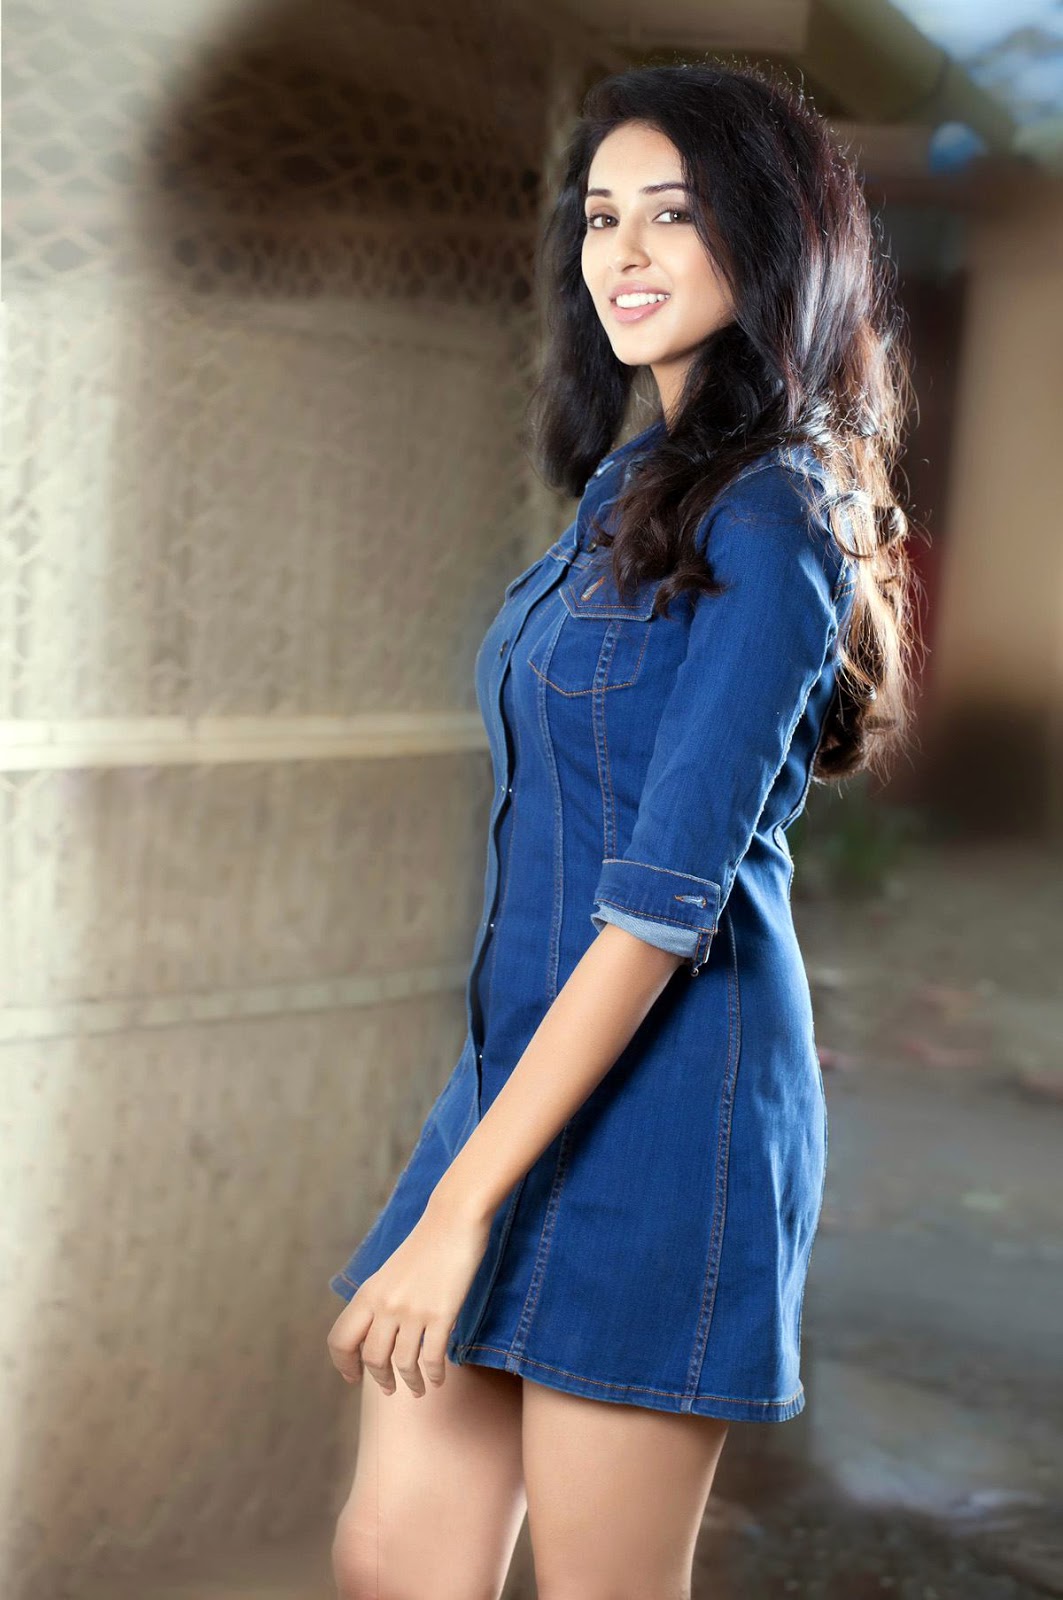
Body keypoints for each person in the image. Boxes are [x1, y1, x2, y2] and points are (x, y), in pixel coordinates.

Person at [325, 59, 916, 1600]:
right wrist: (467, 1175)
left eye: (675, 212)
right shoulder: (630, 488)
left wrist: (459, 1214)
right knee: (395, 1559)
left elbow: (662, 906)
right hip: (514, 1085)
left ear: (770, 240)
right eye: (601, 216)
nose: (625, 253)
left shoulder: (774, 516)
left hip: (669, 1115)